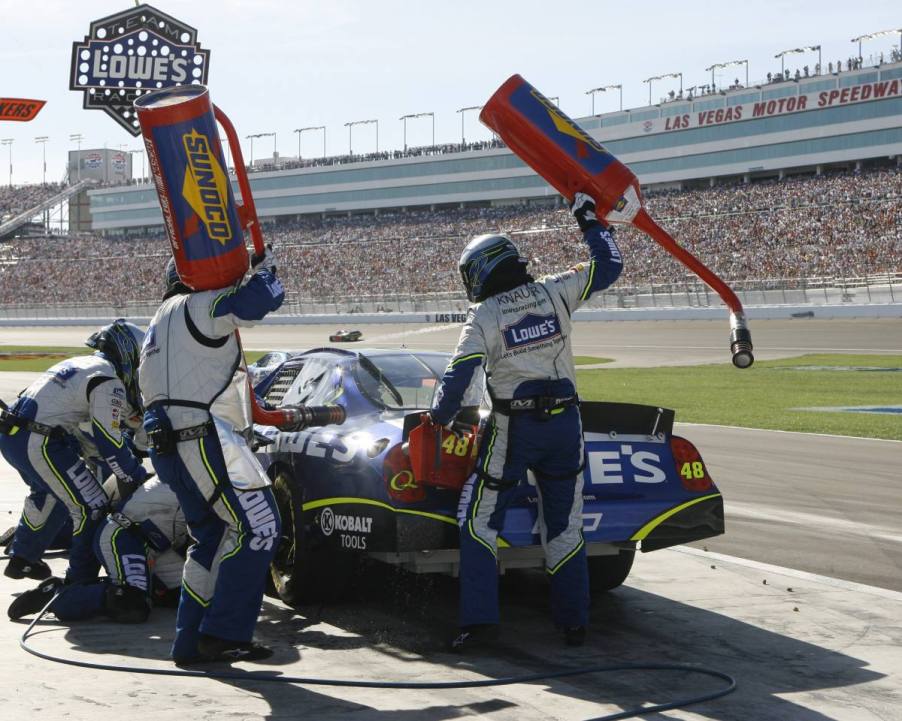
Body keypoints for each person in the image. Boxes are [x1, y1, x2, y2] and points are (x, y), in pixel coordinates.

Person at [429, 192, 623, 651]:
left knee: (477, 521)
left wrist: (440, 415)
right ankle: (573, 625)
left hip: (514, 430)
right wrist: (587, 218)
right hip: (566, 428)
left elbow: (457, 378)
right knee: (564, 525)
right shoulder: (556, 289)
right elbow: (608, 264)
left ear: (479, 271)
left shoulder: (484, 314)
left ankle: (480, 624)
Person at [139, 251, 284, 664]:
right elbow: (256, 301)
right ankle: (224, 634)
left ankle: (190, 642)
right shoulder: (198, 304)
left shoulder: (157, 323)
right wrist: (267, 273)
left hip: (169, 448)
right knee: (260, 527)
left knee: (212, 537)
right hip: (204, 440)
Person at [0, 320, 149, 584]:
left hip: (13, 436)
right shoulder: (108, 380)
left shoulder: (79, 363)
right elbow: (109, 440)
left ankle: (23, 557)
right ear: (130, 354)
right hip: (41, 441)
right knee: (92, 505)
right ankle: (79, 580)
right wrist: (135, 476)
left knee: (54, 494)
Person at [8, 477, 186, 622]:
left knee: (190, 596)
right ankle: (55, 595)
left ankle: (140, 587)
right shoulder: (198, 475)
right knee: (131, 604)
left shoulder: (194, 466)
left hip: (158, 546)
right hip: (123, 536)